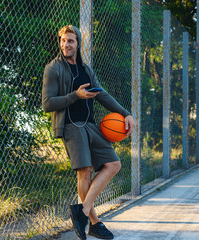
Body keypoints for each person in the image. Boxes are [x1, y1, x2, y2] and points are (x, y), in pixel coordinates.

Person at [42, 25, 135, 240]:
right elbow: (47, 104)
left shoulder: (86, 69)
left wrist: (126, 113)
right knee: (84, 172)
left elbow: (102, 95)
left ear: (78, 43)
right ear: (60, 42)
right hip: (70, 125)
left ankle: (82, 211)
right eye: (63, 40)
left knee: (113, 164)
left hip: (90, 125)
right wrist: (75, 95)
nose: (66, 45)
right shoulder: (53, 68)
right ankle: (95, 222)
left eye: (71, 41)